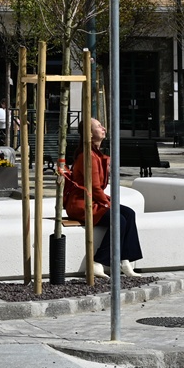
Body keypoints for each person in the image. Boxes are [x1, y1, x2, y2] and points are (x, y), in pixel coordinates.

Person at [62, 118, 141, 276]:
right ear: (90, 134)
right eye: (98, 126)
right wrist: (107, 203)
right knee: (119, 219)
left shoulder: (95, 154)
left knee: (129, 213)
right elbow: (94, 187)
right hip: (81, 205)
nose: (103, 128)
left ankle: (124, 260)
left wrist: (108, 201)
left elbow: (96, 189)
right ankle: (98, 262)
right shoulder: (89, 156)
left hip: (92, 201)